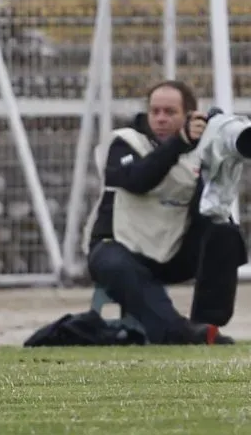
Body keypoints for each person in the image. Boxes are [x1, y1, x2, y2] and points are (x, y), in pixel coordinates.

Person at [82, 79, 247, 345]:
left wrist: (221, 157)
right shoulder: (124, 142)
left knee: (225, 233)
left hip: (173, 248)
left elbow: (208, 210)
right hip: (119, 245)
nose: (160, 119)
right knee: (115, 264)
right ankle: (179, 333)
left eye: (170, 113)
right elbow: (138, 180)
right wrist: (179, 143)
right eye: (155, 111)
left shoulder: (203, 150)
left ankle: (206, 325)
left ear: (190, 116)